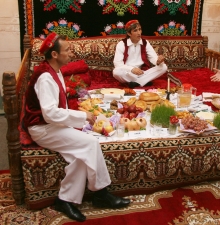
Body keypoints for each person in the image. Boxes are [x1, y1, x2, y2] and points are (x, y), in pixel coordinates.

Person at [23, 32, 130, 222]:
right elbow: (49, 113)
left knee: (80, 156)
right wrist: (83, 116)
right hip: (41, 128)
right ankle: (101, 193)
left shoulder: (54, 70)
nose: (71, 53)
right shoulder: (45, 77)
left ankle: (65, 200)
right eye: (67, 50)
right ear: (54, 55)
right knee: (90, 143)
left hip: (52, 124)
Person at [113, 20, 167, 88]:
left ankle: (137, 82)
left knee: (163, 67)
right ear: (129, 34)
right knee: (116, 72)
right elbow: (117, 64)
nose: (139, 33)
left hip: (142, 73)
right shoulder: (121, 44)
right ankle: (143, 82)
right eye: (135, 31)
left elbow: (153, 58)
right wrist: (132, 69)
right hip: (128, 73)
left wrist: (158, 61)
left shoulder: (145, 43)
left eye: (140, 29)